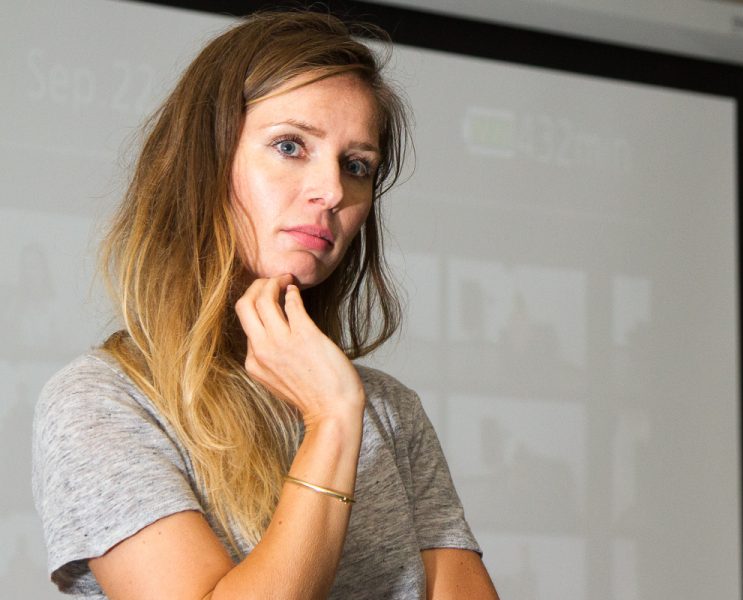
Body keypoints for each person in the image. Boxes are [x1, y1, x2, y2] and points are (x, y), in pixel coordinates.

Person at [31, 11, 499, 600]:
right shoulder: (105, 401)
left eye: (357, 166)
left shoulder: (387, 411)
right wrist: (330, 425)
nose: (331, 190)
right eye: (290, 145)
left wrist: (344, 410)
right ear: (203, 163)